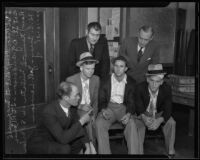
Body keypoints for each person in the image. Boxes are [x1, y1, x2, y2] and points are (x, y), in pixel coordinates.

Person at [26, 81, 94, 154]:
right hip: (41, 143)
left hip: (57, 138)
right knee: (65, 149)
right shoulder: (49, 111)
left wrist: (88, 145)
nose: (79, 97)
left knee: (79, 143)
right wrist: (82, 121)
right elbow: (63, 139)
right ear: (66, 98)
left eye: (79, 94)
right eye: (76, 95)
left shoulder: (72, 107)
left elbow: (79, 128)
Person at [95, 56, 140, 154]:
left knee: (131, 124)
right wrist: (103, 110)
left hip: (124, 108)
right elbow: (101, 99)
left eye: (121, 66)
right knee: (99, 124)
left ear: (126, 68)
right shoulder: (105, 80)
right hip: (109, 107)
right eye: (116, 66)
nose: (118, 69)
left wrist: (128, 115)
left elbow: (132, 102)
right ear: (113, 67)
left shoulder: (132, 82)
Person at [134, 64, 176, 158]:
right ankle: (138, 153)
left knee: (171, 122)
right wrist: (144, 118)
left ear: (161, 82)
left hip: (158, 114)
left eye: (157, 82)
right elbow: (138, 107)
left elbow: (168, 109)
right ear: (147, 79)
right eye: (152, 81)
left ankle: (170, 152)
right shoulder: (139, 88)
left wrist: (159, 120)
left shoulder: (166, 89)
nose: (154, 84)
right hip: (144, 113)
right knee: (137, 124)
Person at [66, 52, 99, 149]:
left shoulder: (96, 79)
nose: (91, 71)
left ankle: (90, 148)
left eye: (93, 68)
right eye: (88, 69)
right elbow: (68, 101)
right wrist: (80, 106)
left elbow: (96, 101)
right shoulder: (71, 80)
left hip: (90, 109)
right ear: (81, 68)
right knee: (87, 121)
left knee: (95, 122)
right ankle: (92, 148)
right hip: (76, 109)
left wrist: (94, 114)